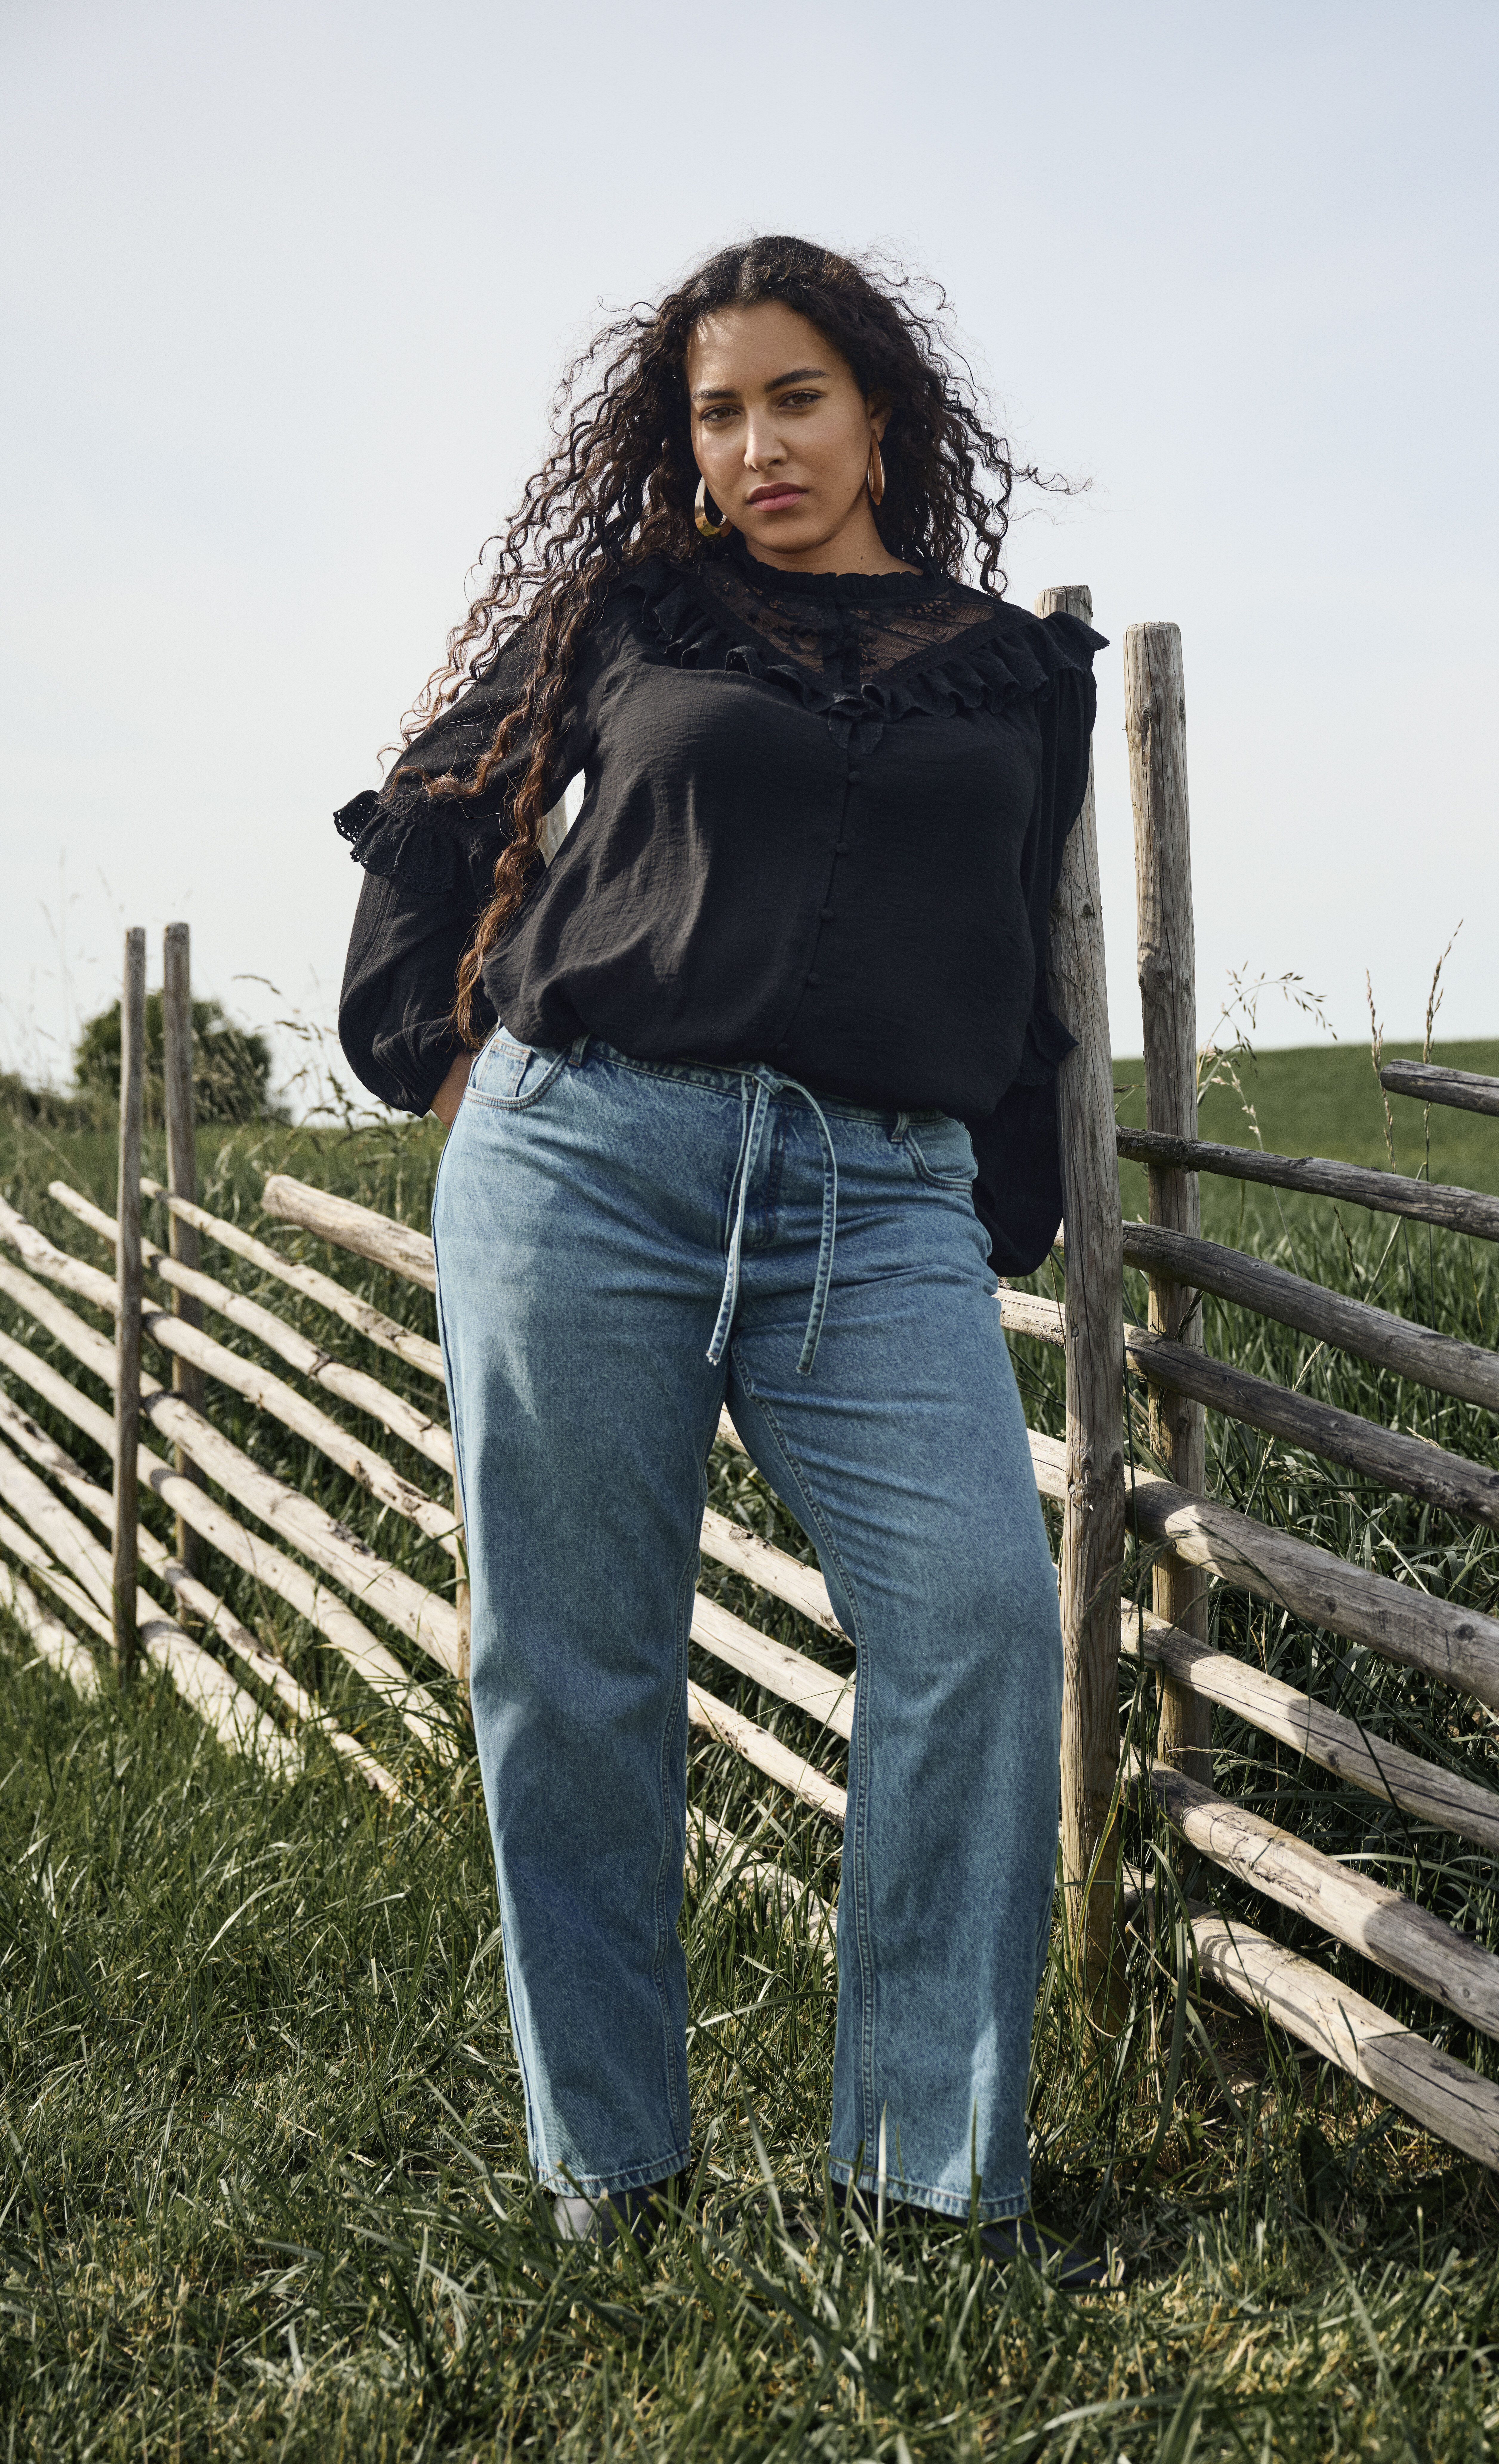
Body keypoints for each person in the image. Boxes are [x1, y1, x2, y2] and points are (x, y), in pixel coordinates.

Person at [335, 235, 1105, 2279]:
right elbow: (440, 809)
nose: (757, 446)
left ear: (880, 414)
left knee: (978, 1625)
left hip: (879, 1201)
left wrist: (991, 1209)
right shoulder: (638, 610)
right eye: (717, 410)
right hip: (591, 1161)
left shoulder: (1018, 669)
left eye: (796, 399)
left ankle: (923, 2184)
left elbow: (1018, 956)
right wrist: (442, 1060)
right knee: (572, 1675)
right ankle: (618, 2176)